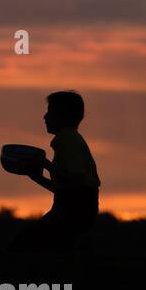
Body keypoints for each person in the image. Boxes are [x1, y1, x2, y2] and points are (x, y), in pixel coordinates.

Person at [11, 90, 100, 253]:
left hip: (73, 210)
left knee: (24, 246)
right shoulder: (70, 139)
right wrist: (36, 177)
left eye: (50, 112)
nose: (44, 117)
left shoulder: (67, 140)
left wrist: (44, 163)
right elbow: (64, 188)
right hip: (77, 207)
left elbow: (74, 180)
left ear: (63, 115)